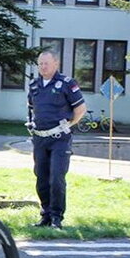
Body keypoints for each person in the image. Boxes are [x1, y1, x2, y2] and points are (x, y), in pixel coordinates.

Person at [27, 51, 86, 229]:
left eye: (46, 63)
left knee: (57, 177)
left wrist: (69, 125)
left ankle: (56, 218)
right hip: (40, 139)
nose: (43, 67)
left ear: (56, 63)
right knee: (41, 178)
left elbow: (81, 109)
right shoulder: (34, 85)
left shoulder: (67, 84)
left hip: (60, 138)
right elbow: (31, 108)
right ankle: (45, 214)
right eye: (40, 64)